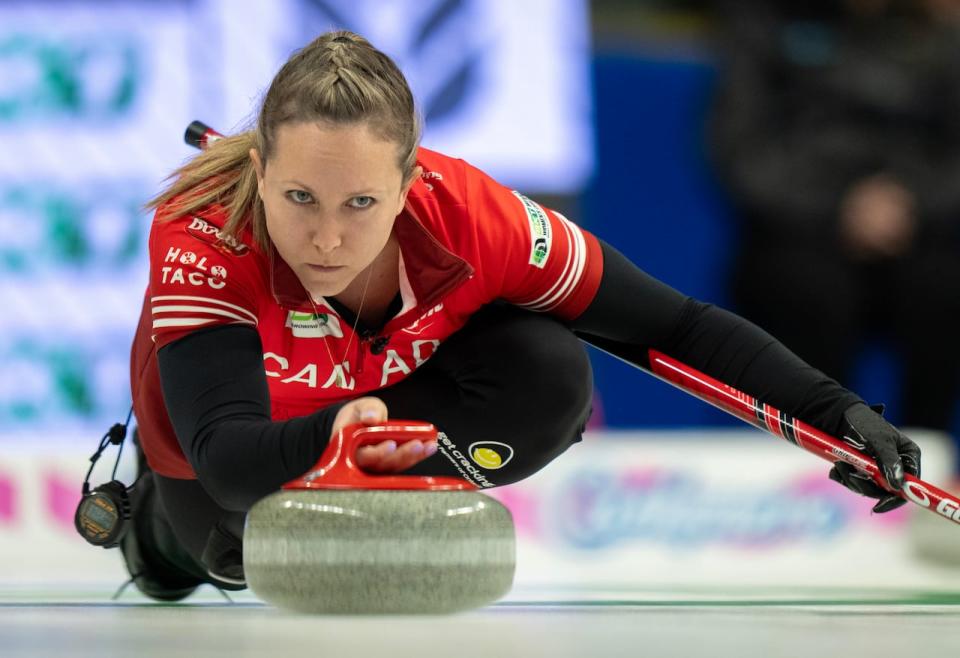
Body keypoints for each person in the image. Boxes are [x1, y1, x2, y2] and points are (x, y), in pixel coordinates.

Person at [120, 30, 919, 600]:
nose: (327, 238)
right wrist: (335, 438)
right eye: (300, 198)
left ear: (409, 185)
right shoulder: (205, 227)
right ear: (258, 174)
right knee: (226, 554)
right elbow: (227, 455)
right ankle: (156, 526)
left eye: (361, 202)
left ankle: (381, 489)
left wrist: (839, 412)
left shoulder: (477, 218)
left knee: (547, 369)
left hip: (374, 417)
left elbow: (674, 328)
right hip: (242, 441)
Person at [709, 0, 960, 434]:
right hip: (800, 234)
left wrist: (907, 200)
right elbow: (741, 153)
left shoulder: (938, 33)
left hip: (913, 229)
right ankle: (819, 457)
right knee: (805, 289)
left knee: (944, 287)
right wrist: (838, 206)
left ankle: (929, 461)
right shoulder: (766, 24)